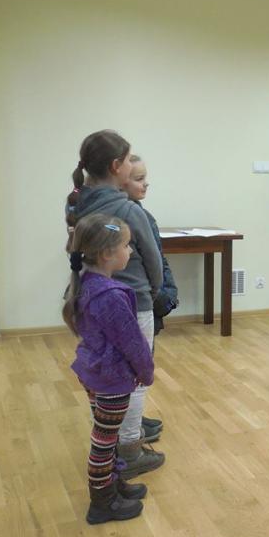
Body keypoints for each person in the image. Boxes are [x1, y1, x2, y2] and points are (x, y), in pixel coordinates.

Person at [65, 130, 166, 478]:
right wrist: (154, 293)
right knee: (133, 377)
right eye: (127, 161)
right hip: (134, 300)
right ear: (116, 166)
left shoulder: (76, 201)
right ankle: (130, 449)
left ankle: (122, 432)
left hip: (92, 296)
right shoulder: (127, 209)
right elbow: (153, 258)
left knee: (112, 375)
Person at [62, 213, 155, 524]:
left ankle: (113, 484)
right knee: (104, 441)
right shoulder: (111, 296)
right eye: (126, 245)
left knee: (108, 435)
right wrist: (146, 372)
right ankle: (102, 501)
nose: (130, 251)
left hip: (94, 373)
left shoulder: (87, 283)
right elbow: (133, 343)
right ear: (106, 253)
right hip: (111, 379)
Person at [123, 155, 179, 340]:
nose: (146, 183)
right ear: (121, 182)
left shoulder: (144, 216)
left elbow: (159, 260)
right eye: (139, 179)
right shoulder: (133, 217)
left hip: (150, 300)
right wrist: (159, 295)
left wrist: (167, 295)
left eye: (145, 178)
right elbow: (153, 263)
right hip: (140, 300)